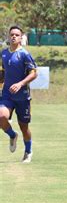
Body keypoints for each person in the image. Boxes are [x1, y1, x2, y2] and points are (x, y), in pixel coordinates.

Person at [0, 26, 38, 163]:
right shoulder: (3, 53)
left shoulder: (24, 54)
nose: (14, 36)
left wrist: (20, 84)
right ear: (9, 37)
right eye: (12, 34)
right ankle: (12, 135)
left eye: (17, 35)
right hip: (7, 95)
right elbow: (2, 73)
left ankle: (28, 152)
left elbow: (34, 73)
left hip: (22, 97)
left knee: (24, 127)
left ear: (21, 38)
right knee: (1, 116)